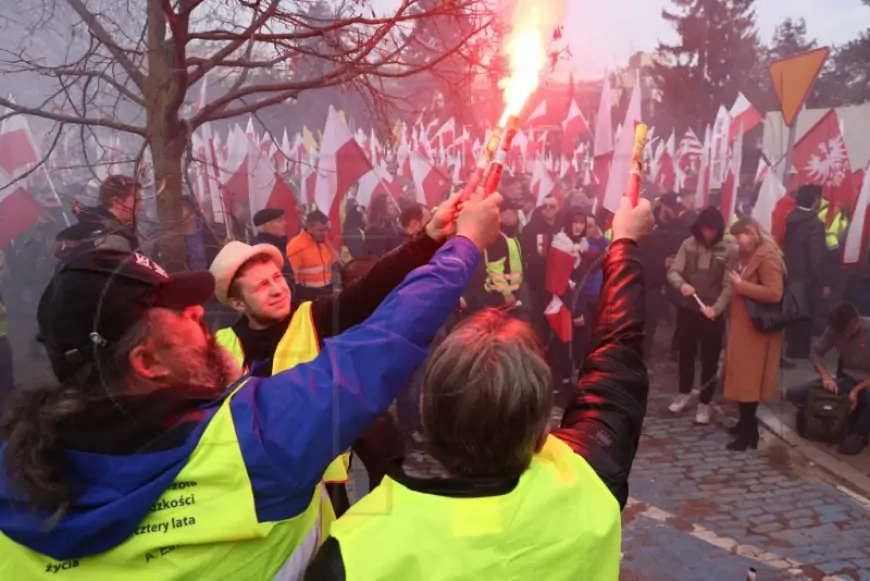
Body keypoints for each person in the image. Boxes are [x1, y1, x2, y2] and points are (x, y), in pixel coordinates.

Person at [0, 192, 503, 579]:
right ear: (147, 362)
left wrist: (429, 240)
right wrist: (463, 247)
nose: (198, 314)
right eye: (178, 312)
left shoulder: (14, 485)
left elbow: (371, 301)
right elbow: (386, 339)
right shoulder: (254, 444)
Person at [304, 196, 654, 581]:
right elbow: (618, 353)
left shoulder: (352, 553)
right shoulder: (590, 480)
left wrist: (459, 243)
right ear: (543, 432)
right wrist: (624, 245)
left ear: (430, 421)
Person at [210, 195, 471, 515]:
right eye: (262, 285)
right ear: (237, 303)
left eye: (277, 277)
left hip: (323, 491)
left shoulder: (315, 317)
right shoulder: (219, 349)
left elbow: (372, 287)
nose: (277, 289)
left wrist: (428, 238)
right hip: (250, 498)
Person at [666, 206, 737, 424]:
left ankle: (705, 402)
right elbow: (674, 271)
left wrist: (717, 308)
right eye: (704, 229)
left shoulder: (729, 249)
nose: (708, 234)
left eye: (712, 230)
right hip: (688, 308)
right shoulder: (688, 244)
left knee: (710, 357)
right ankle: (684, 392)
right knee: (686, 353)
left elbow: (729, 285)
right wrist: (681, 285)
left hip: (712, 312)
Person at [722, 218, 785, 451]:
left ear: (751, 233)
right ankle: (745, 424)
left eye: (739, 237)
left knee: (748, 382)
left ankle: (750, 432)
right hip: (746, 329)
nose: (738, 242)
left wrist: (742, 285)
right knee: (742, 380)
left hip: (757, 332)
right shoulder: (753, 254)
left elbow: (774, 293)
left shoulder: (768, 256)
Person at [785, 302, 870, 455]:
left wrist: (857, 390)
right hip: (847, 378)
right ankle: (823, 415)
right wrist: (826, 377)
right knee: (794, 393)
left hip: (867, 382)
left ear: (856, 322)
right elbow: (815, 353)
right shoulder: (834, 329)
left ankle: (859, 434)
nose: (845, 336)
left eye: (847, 331)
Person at [783, 185, 829, 360]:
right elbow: (817, 257)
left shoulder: (790, 219)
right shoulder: (815, 224)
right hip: (807, 278)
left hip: (791, 273)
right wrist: (823, 282)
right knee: (806, 314)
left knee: (793, 312)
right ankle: (801, 352)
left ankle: (792, 349)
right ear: (815, 199)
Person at [75, 174, 141, 251]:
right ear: (117, 203)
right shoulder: (112, 241)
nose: (140, 207)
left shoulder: (98, 228)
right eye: (136, 201)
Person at [287, 210, 337, 301]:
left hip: (328, 291)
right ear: (309, 228)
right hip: (308, 294)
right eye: (320, 230)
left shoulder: (325, 241)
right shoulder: (295, 246)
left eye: (326, 229)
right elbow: (291, 277)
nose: (325, 233)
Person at [250, 207, 293, 277]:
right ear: (268, 225)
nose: (285, 223)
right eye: (279, 221)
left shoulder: (275, 244)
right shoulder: (264, 249)